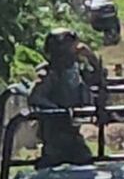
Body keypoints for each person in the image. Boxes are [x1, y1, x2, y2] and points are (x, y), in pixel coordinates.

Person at [29, 28, 97, 168]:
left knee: (86, 165)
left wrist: (92, 58)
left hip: (74, 132)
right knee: (51, 168)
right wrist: (58, 111)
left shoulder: (76, 70)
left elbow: (98, 81)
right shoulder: (49, 73)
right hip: (54, 136)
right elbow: (35, 97)